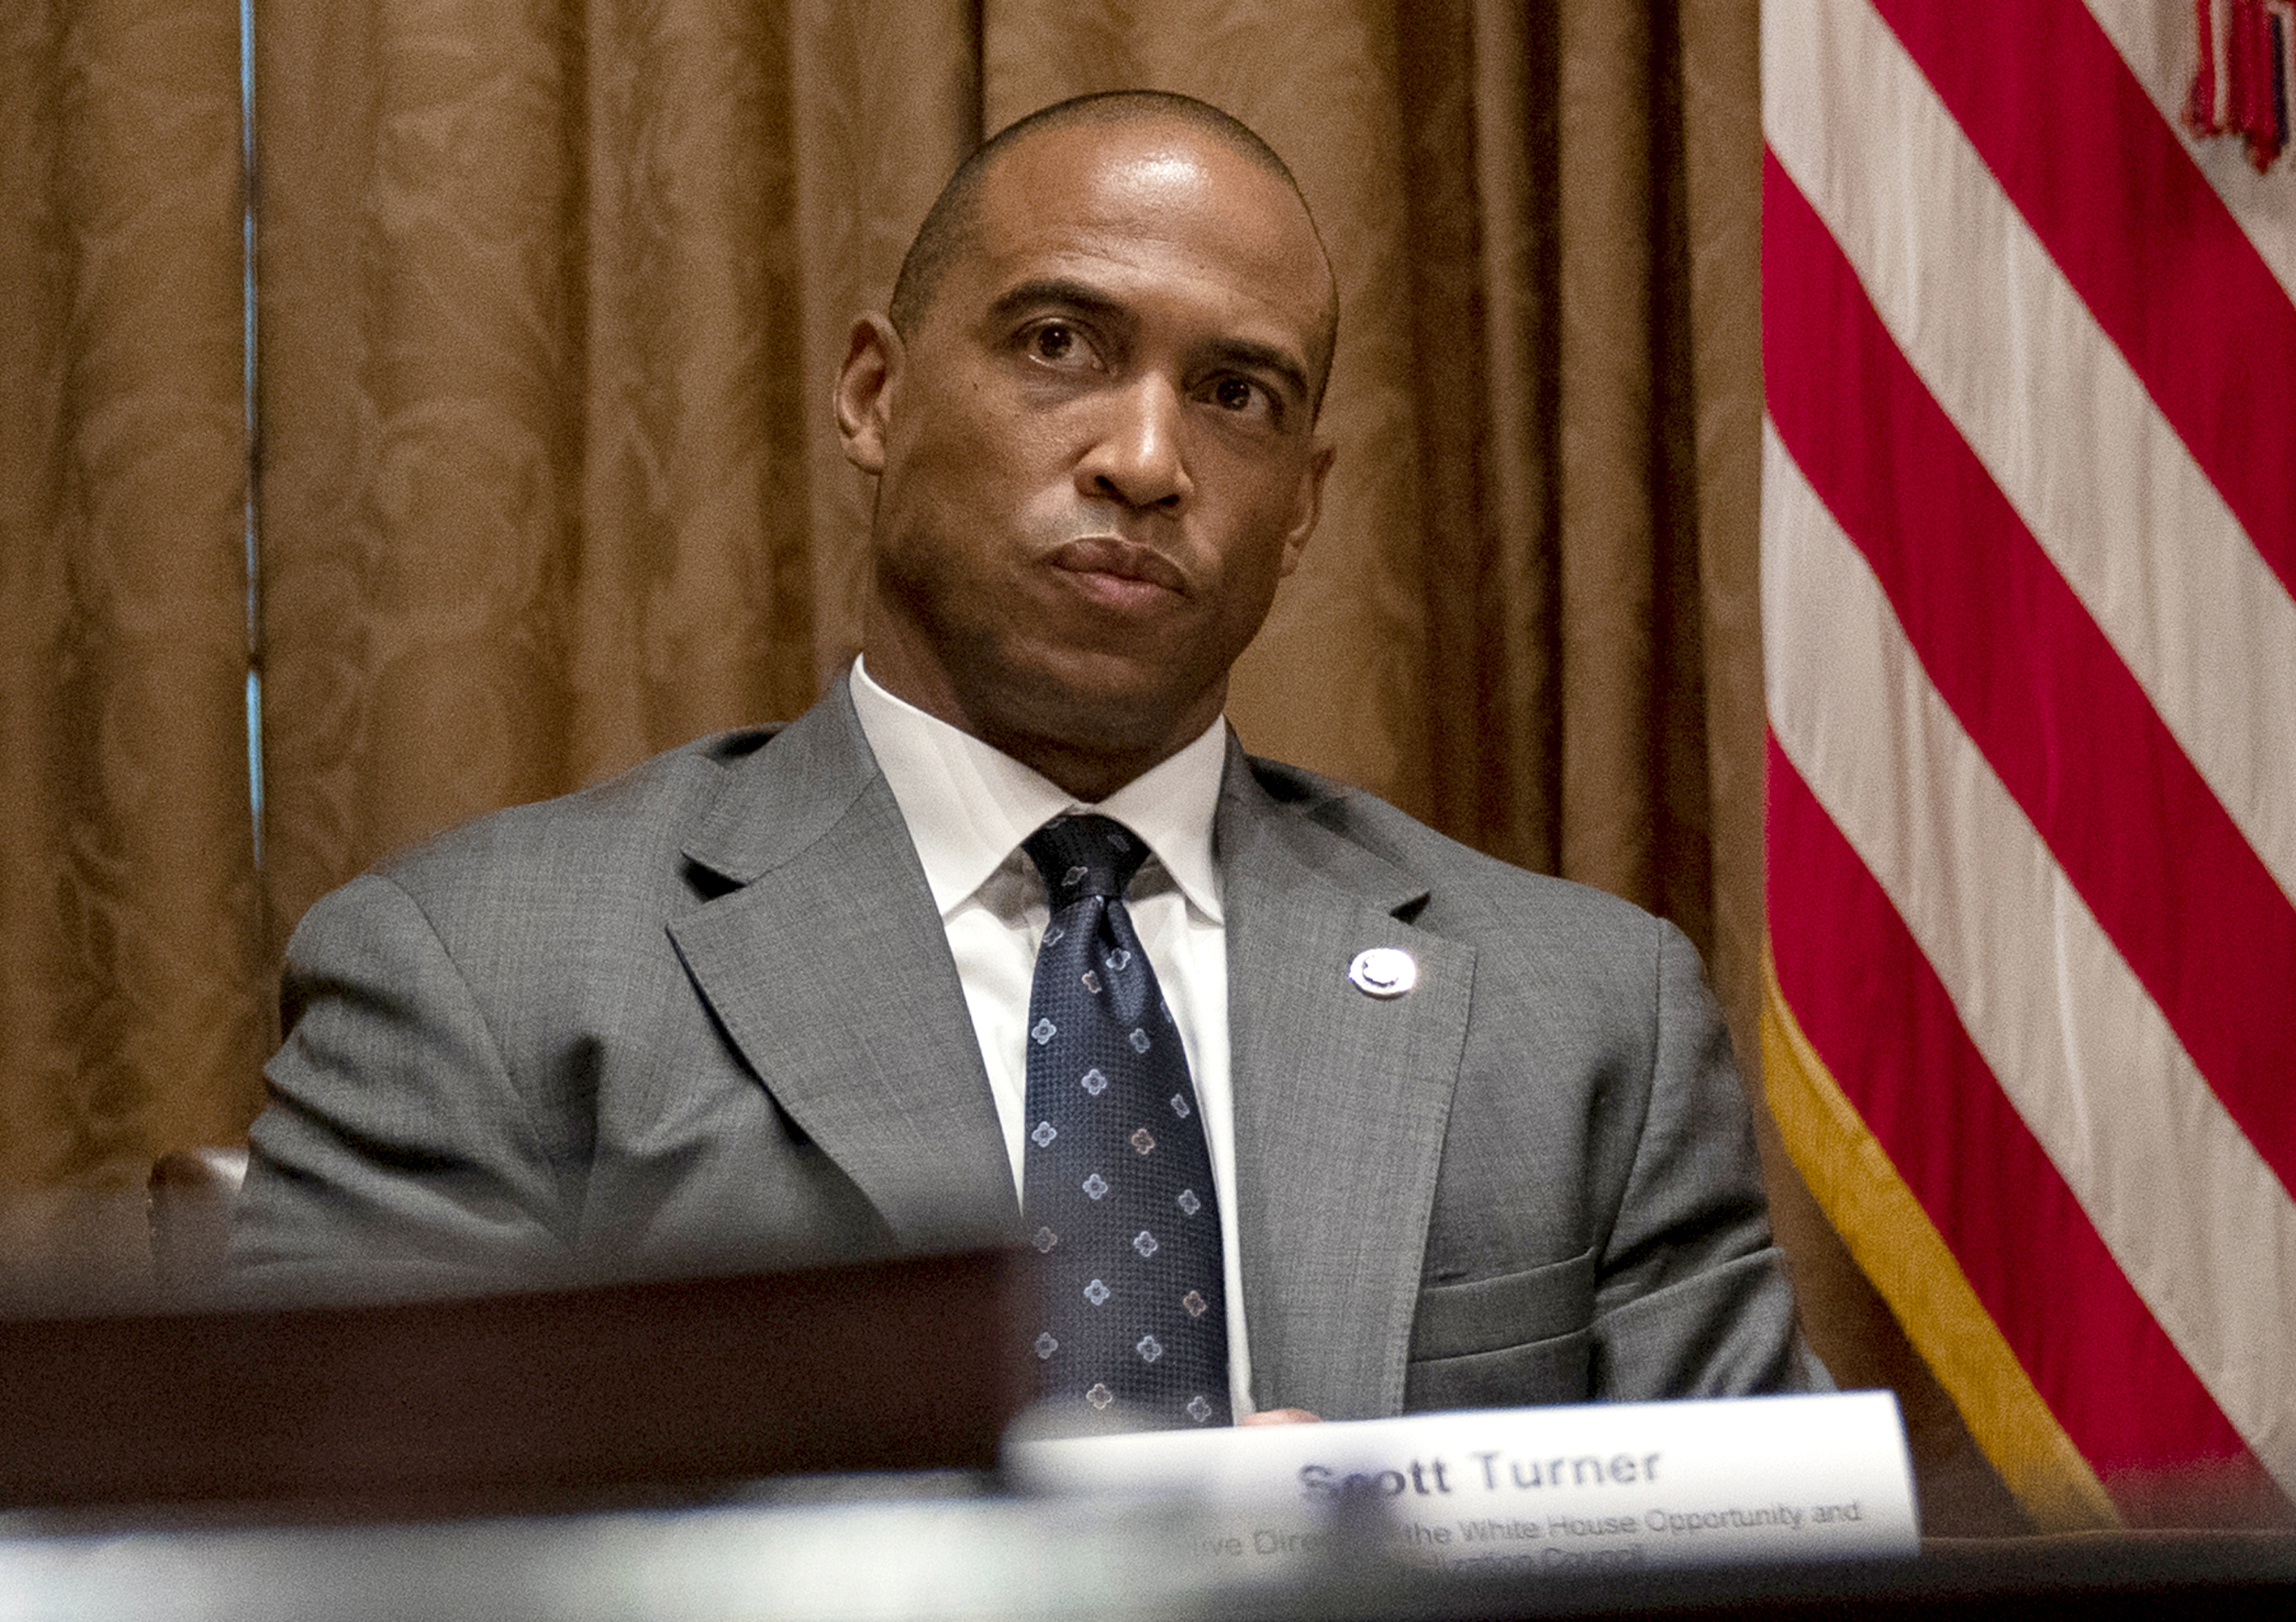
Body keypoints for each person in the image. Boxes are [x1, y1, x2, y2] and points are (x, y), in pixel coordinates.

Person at [232, 91, 1816, 1427]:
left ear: (1305, 506)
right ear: (875, 395)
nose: (1147, 457)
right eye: (1061, 342)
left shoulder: (1587, 1016)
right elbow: (351, 1567)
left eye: (1236, 394)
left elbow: (1764, 1569)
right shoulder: (479, 981)